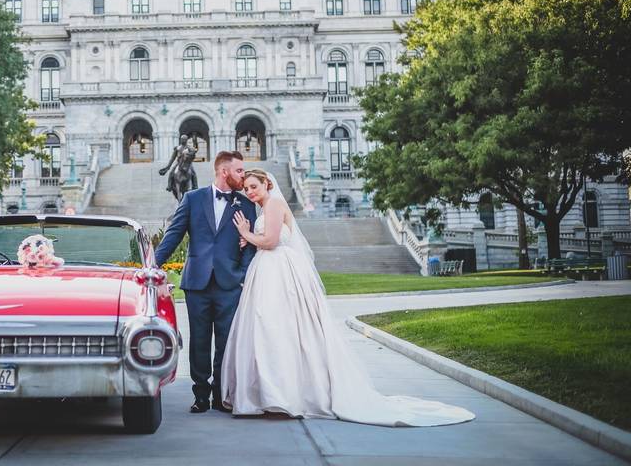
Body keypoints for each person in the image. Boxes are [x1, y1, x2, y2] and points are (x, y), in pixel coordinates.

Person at [222, 168, 475, 426]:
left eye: (254, 186)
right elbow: (266, 239)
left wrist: (246, 233)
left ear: (267, 184)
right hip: (269, 270)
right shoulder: (265, 207)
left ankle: (283, 396)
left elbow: (272, 241)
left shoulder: (274, 203)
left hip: (279, 269)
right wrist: (251, 238)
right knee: (272, 329)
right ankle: (275, 393)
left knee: (277, 327)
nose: (250, 192)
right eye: (247, 189)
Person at [155, 151, 258, 414]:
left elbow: (250, 245)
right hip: (197, 283)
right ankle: (200, 395)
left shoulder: (246, 205)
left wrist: (242, 274)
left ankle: (220, 395)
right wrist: (152, 264)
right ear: (224, 172)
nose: (242, 176)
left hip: (229, 283)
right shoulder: (192, 199)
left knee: (225, 342)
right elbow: (174, 234)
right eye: (238, 171)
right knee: (199, 340)